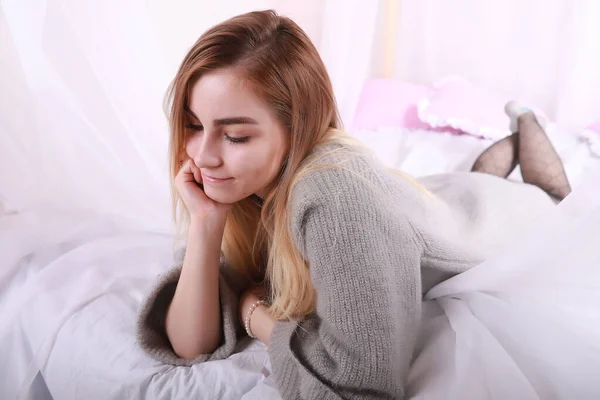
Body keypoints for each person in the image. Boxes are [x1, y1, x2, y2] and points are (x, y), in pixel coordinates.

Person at [136, 9, 592, 399]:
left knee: (548, 193)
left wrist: (255, 316)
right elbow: (189, 343)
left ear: (297, 128)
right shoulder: (249, 183)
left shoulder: (334, 196)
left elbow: (360, 385)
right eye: (194, 125)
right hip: (424, 200)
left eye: (235, 135)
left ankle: (527, 125)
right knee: (470, 178)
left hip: (497, 220)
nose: (203, 155)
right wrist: (206, 222)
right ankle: (506, 146)